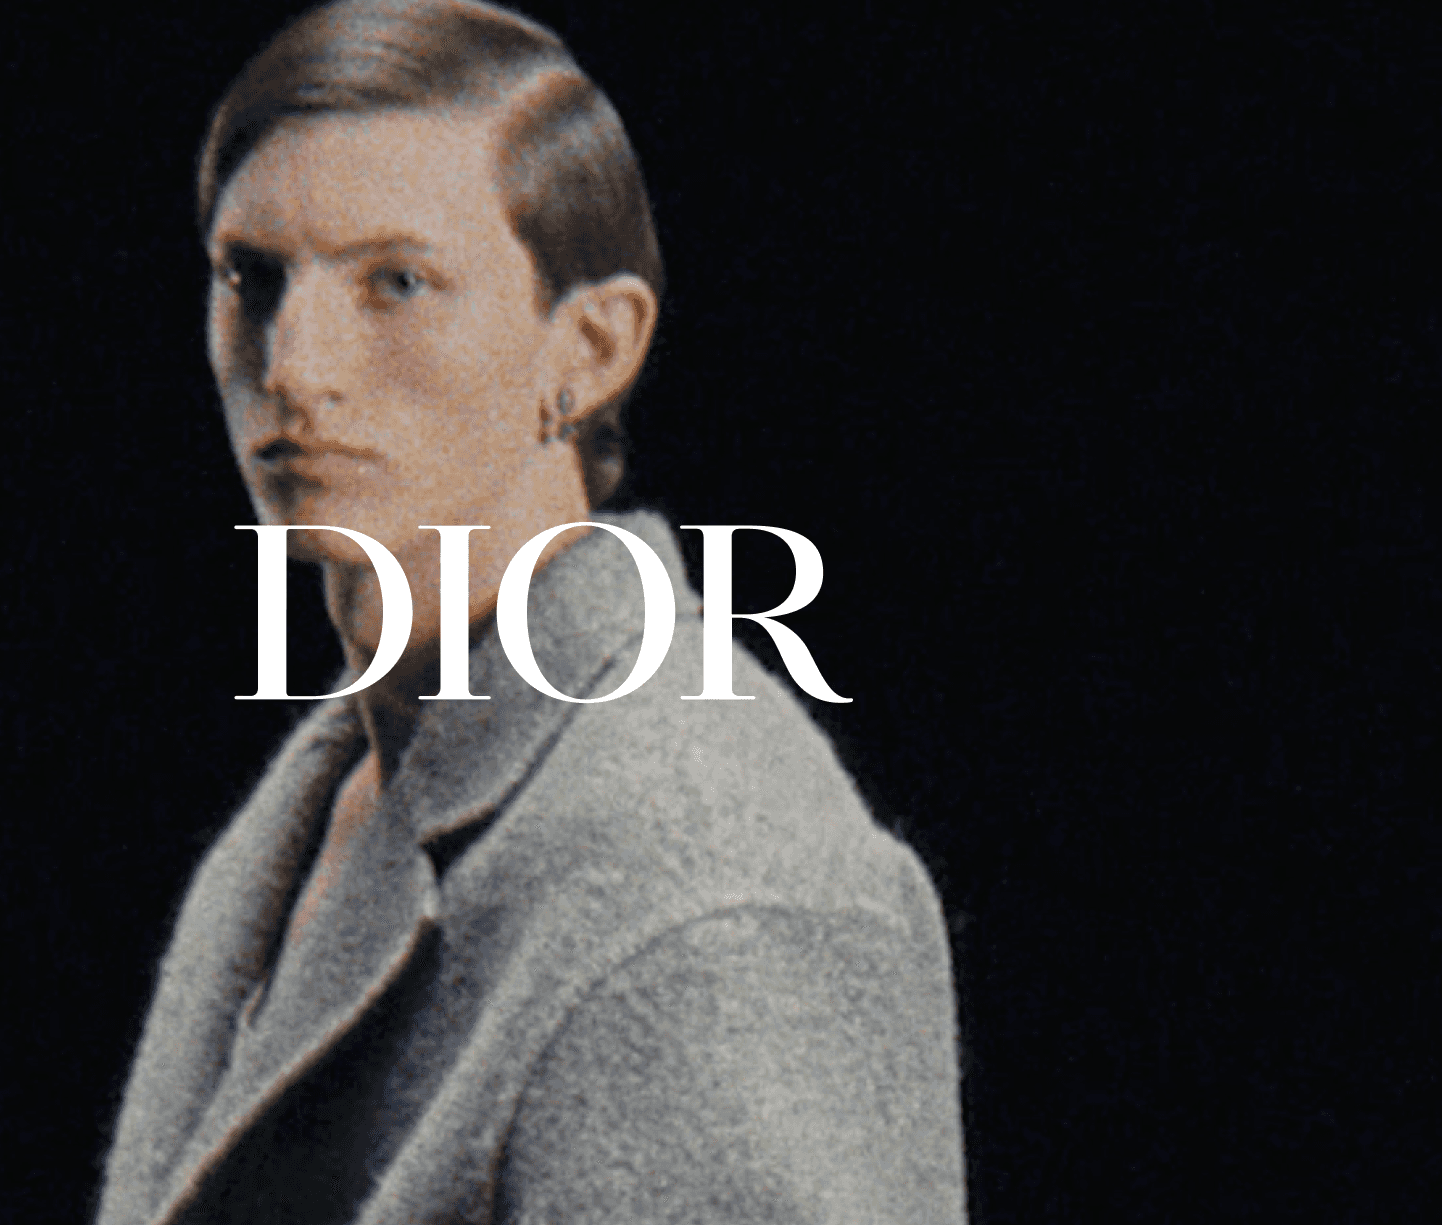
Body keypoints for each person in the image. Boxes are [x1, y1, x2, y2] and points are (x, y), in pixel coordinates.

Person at [96, 2, 966, 1222]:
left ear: (591, 348)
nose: (294, 364)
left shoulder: (706, 871)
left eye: (397, 283)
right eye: (254, 278)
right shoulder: (328, 797)